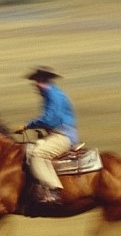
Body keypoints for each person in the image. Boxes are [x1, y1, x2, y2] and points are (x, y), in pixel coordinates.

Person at [16, 66, 79, 203]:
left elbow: (50, 119)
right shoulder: (53, 94)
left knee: (37, 154)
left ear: (42, 81)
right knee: (29, 150)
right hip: (59, 133)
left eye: (36, 82)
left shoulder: (53, 95)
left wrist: (28, 126)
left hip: (63, 135)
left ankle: (53, 190)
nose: (35, 86)